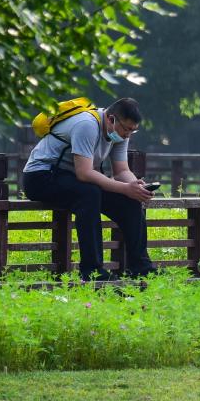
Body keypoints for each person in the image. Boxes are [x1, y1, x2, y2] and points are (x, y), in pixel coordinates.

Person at [21, 97, 153, 281]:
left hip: (74, 179)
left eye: (133, 130)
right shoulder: (87, 124)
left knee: (130, 200)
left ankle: (141, 268)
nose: (128, 135)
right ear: (111, 119)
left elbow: (122, 170)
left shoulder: (120, 132)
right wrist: (125, 188)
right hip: (42, 177)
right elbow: (84, 173)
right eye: (126, 129)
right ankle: (92, 270)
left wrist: (136, 188)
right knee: (89, 194)